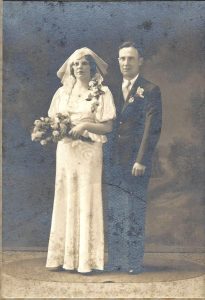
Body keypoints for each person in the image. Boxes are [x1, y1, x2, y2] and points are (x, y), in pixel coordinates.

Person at [46, 47, 116, 274]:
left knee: (87, 198)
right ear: (71, 68)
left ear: (92, 67)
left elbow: (107, 127)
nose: (79, 68)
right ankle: (62, 258)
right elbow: (52, 124)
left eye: (84, 64)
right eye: (75, 64)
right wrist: (59, 130)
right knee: (65, 196)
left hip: (89, 152)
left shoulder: (102, 92)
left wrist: (84, 125)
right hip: (66, 151)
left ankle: (87, 260)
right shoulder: (61, 94)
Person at [106, 41, 162, 274]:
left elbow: (153, 128)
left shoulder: (150, 89)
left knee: (134, 211)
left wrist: (141, 160)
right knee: (115, 210)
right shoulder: (108, 89)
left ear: (141, 61)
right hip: (113, 161)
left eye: (130, 58)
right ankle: (116, 260)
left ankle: (133, 262)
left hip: (135, 163)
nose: (125, 63)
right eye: (122, 58)